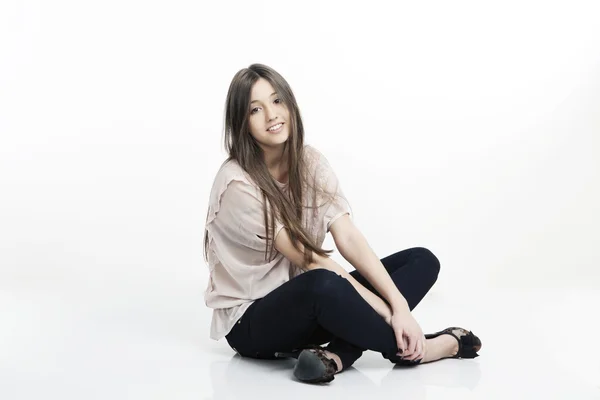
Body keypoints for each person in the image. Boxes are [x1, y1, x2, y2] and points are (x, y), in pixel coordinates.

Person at [202, 63, 482, 384]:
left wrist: (400, 305)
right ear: (241, 122)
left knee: (421, 260)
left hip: (311, 307)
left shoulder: (308, 161)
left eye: (277, 101)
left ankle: (337, 355)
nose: (272, 115)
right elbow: (309, 259)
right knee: (323, 282)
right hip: (253, 325)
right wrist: (391, 314)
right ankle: (429, 348)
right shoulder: (237, 183)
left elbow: (347, 235)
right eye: (256, 109)